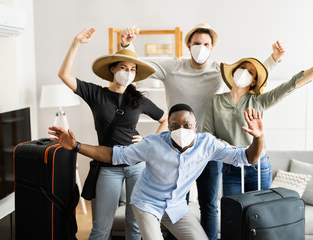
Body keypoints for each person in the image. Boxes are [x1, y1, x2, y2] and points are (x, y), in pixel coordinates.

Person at [120, 23, 286, 239]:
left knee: (209, 204)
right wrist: (127, 45)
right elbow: (141, 67)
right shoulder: (173, 67)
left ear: (212, 46)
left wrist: (273, 59)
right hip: (175, 147)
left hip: (206, 147)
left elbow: (250, 74)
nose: (201, 47)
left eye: (206, 44)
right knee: (176, 204)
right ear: (188, 45)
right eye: (197, 43)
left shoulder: (219, 70)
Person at [48, 104, 264, 240]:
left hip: (177, 207)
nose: (181, 130)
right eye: (174, 126)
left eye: (186, 125)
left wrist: (258, 138)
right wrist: (77, 146)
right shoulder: (152, 143)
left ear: (195, 126)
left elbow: (247, 157)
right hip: (146, 204)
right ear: (168, 127)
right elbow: (114, 155)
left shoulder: (207, 144)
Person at [58, 28, 168, 240]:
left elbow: (165, 119)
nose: (128, 72)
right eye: (123, 67)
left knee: (135, 227)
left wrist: (150, 140)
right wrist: (76, 43)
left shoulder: (139, 99)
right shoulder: (96, 94)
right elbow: (64, 75)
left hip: (137, 166)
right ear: (112, 70)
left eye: (133, 69)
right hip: (108, 168)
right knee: (101, 228)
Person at [203, 38, 313, 196]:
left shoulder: (258, 101)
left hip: (258, 167)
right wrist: (237, 152)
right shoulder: (215, 101)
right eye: (242, 67)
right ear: (234, 71)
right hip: (230, 168)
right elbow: (208, 136)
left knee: (258, 216)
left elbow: (290, 85)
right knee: (233, 215)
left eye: (250, 71)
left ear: (254, 81)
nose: (244, 72)